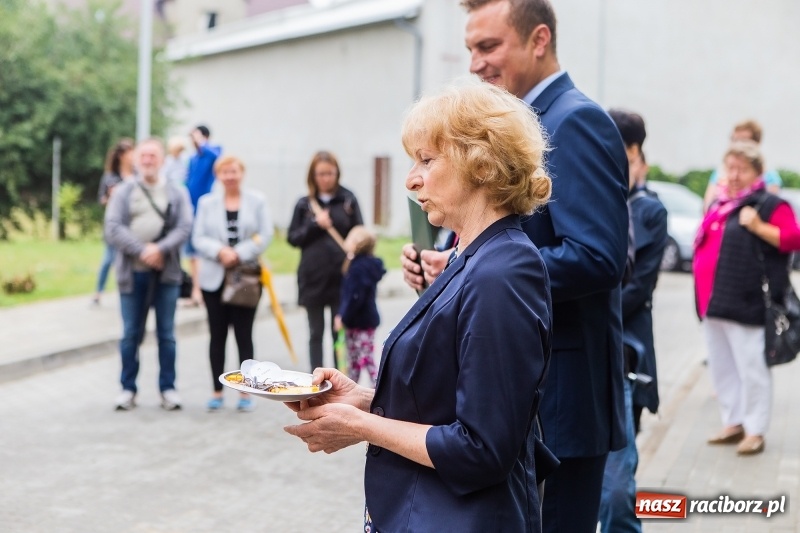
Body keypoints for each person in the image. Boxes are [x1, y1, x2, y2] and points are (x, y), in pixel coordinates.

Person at [285, 79, 553, 532]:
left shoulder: (503, 271)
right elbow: (445, 403)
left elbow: (482, 449)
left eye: (427, 160)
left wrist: (362, 426)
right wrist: (366, 401)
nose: (412, 179)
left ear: (480, 163)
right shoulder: (473, 257)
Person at [401, 1, 630, 530]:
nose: (475, 63)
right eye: (470, 49)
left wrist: (469, 271)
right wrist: (441, 267)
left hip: (561, 404)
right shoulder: (509, 122)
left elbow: (598, 257)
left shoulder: (575, 121)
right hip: (508, 399)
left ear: (539, 39)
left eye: (489, 46)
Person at [694, 140, 800, 456]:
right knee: (722, 366)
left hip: (748, 301)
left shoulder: (769, 205)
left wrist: (758, 226)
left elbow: (793, 238)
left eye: (742, 169)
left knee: (752, 367)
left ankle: (755, 430)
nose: (734, 175)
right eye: (730, 168)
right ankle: (733, 421)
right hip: (712, 302)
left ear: (758, 173)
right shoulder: (720, 204)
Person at [599, 110, 668, 533]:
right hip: (589, 355)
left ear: (635, 154)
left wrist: (593, 313)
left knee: (617, 482)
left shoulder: (648, 211)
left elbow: (639, 287)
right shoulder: (596, 198)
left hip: (627, 351)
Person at [104, 138, 193, 411]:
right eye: (143, 156)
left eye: (153, 155)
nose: (148, 160)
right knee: (130, 334)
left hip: (166, 276)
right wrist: (142, 251)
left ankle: (168, 389)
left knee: (166, 334)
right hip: (132, 275)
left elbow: (184, 226)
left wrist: (160, 249)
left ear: (163, 159)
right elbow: (113, 226)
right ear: (136, 160)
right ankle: (127, 389)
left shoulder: (177, 192)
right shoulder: (123, 192)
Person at [192, 155, 273, 412]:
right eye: (224, 172)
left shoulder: (257, 201)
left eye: (234, 171)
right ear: (218, 175)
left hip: (245, 278)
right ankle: (216, 391)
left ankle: (246, 392)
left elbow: (265, 234)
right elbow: (198, 237)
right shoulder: (206, 203)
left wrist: (239, 252)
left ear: (242, 173)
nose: (230, 176)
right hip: (214, 279)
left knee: (244, 335)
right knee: (217, 335)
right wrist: (220, 251)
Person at [287, 151, 363, 372]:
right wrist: (314, 224)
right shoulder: (304, 204)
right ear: (313, 175)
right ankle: (317, 377)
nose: (326, 178)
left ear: (337, 173)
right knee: (315, 332)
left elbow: (360, 231)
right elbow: (293, 238)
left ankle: (340, 378)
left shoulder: (348, 200)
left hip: (341, 277)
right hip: (313, 277)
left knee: (339, 331)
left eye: (330, 173)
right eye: (321, 174)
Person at [333, 225, 385, 386]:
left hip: (360, 323)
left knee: (363, 358)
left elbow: (354, 297)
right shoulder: (364, 265)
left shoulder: (358, 268)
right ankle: (352, 387)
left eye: (349, 238)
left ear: (356, 244)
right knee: (357, 359)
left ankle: (378, 386)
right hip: (363, 321)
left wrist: (343, 317)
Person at [703, 120, 782, 210]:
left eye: (743, 141)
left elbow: (770, 209)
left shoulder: (769, 176)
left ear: (756, 143)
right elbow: (707, 207)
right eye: (734, 140)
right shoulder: (720, 173)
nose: (737, 145)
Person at [93, 138, 135, 305]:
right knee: (108, 260)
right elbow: (101, 200)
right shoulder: (110, 177)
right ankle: (98, 292)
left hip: (132, 223)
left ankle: (125, 292)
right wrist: (112, 196)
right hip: (115, 223)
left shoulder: (137, 176)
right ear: (121, 155)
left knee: (127, 262)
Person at [185, 125, 222, 305]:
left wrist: (201, 141)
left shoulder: (213, 152)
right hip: (190, 209)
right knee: (192, 254)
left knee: (203, 252)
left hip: (205, 210)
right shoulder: (193, 158)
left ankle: (203, 291)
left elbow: (217, 157)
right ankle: (196, 290)